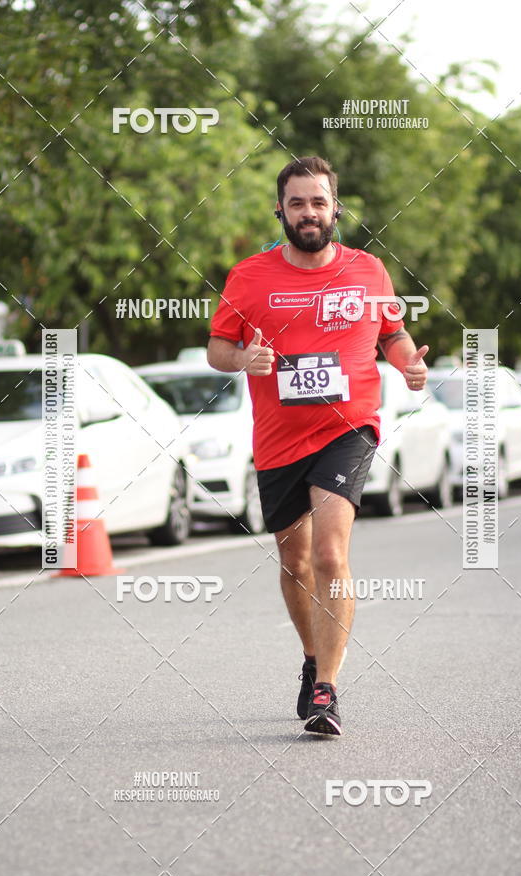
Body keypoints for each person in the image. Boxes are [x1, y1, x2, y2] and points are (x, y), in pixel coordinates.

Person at [207, 156, 428, 736]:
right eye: (298, 203)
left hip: (347, 428)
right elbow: (216, 348)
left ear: (336, 209)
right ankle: (311, 660)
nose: (309, 212)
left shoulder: (368, 270)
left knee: (331, 554)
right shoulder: (249, 277)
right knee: (295, 562)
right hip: (279, 439)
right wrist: (242, 359)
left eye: (319, 202)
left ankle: (327, 690)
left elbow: (393, 332)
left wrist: (407, 365)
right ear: (280, 209)